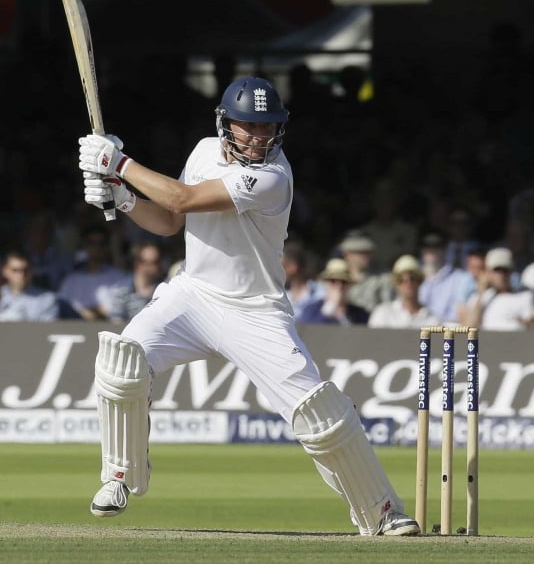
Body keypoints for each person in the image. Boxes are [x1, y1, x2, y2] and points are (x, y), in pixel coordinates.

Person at [76, 76, 419, 536]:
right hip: (192, 294)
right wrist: (123, 197)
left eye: (267, 127)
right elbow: (169, 220)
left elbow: (184, 198)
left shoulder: (274, 177)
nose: (258, 137)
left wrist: (117, 164)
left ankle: (381, 510)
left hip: (255, 310)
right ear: (225, 124)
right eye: (247, 127)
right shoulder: (202, 152)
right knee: (122, 361)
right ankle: (119, 475)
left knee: (320, 413)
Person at [58, 224, 128, 320]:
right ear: (85, 246)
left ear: (107, 246)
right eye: (92, 243)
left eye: (101, 243)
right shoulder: (71, 279)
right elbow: (63, 307)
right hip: (75, 329)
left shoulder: (119, 278)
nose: (97, 248)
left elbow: (119, 310)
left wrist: (90, 312)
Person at [458, 247, 533, 331]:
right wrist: (481, 292)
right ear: (488, 272)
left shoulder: (525, 296)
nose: (502, 275)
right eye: (497, 270)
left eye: (505, 270)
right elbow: (468, 329)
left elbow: (532, 326)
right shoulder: (480, 298)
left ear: (511, 272)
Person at [100, 242, 166, 323]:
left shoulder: (165, 289)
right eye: (154, 262)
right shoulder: (123, 289)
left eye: (159, 261)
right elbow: (115, 320)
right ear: (138, 265)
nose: (158, 266)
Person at [368, 254, 441, 328]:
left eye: (413, 278)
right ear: (396, 284)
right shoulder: (382, 313)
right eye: (401, 280)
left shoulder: (433, 320)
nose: (408, 283)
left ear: (420, 281)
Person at [297, 258, 370, 326]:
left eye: (343, 282)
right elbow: (310, 333)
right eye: (333, 281)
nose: (339, 286)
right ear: (325, 284)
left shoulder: (360, 313)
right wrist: (330, 307)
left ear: (349, 285)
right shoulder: (311, 310)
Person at [0, 249, 59, 321]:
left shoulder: (47, 299)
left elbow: (49, 330)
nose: (21, 275)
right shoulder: (2, 295)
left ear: (32, 270)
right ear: (5, 271)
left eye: (25, 270)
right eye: (15, 270)